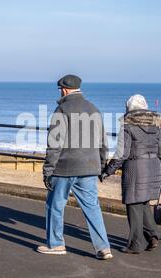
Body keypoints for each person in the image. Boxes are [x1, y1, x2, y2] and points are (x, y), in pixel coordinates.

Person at [37, 74, 113, 260]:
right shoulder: (94, 109)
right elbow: (103, 142)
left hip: (65, 168)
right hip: (89, 167)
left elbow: (55, 143)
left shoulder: (62, 110)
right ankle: (103, 248)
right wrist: (102, 165)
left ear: (64, 90)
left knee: (55, 205)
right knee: (92, 207)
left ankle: (56, 245)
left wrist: (48, 170)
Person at [101, 94, 161, 254]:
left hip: (136, 168)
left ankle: (136, 244)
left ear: (129, 109)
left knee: (133, 205)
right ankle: (152, 236)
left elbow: (121, 154)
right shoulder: (156, 126)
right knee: (144, 203)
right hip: (154, 167)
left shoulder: (127, 126)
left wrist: (107, 171)